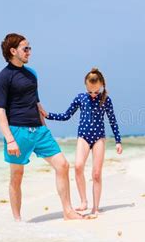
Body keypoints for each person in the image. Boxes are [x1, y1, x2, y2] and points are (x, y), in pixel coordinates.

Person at [0, 33, 84, 221]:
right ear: (13, 51)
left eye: (29, 48)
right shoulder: (3, 78)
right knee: (17, 175)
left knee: (63, 165)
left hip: (40, 131)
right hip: (18, 132)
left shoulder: (32, 74)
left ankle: (68, 211)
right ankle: (17, 220)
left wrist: (45, 127)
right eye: (25, 49)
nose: (29, 52)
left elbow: (36, 103)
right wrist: (10, 139)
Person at [44, 68, 122, 217]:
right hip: (83, 137)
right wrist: (48, 115)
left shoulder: (106, 99)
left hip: (99, 138)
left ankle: (96, 208)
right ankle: (84, 201)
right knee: (78, 166)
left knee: (97, 173)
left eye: (96, 91)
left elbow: (112, 121)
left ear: (101, 86)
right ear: (86, 86)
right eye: (90, 91)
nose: (93, 94)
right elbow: (66, 115)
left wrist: (118, 141)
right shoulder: (80, 98)